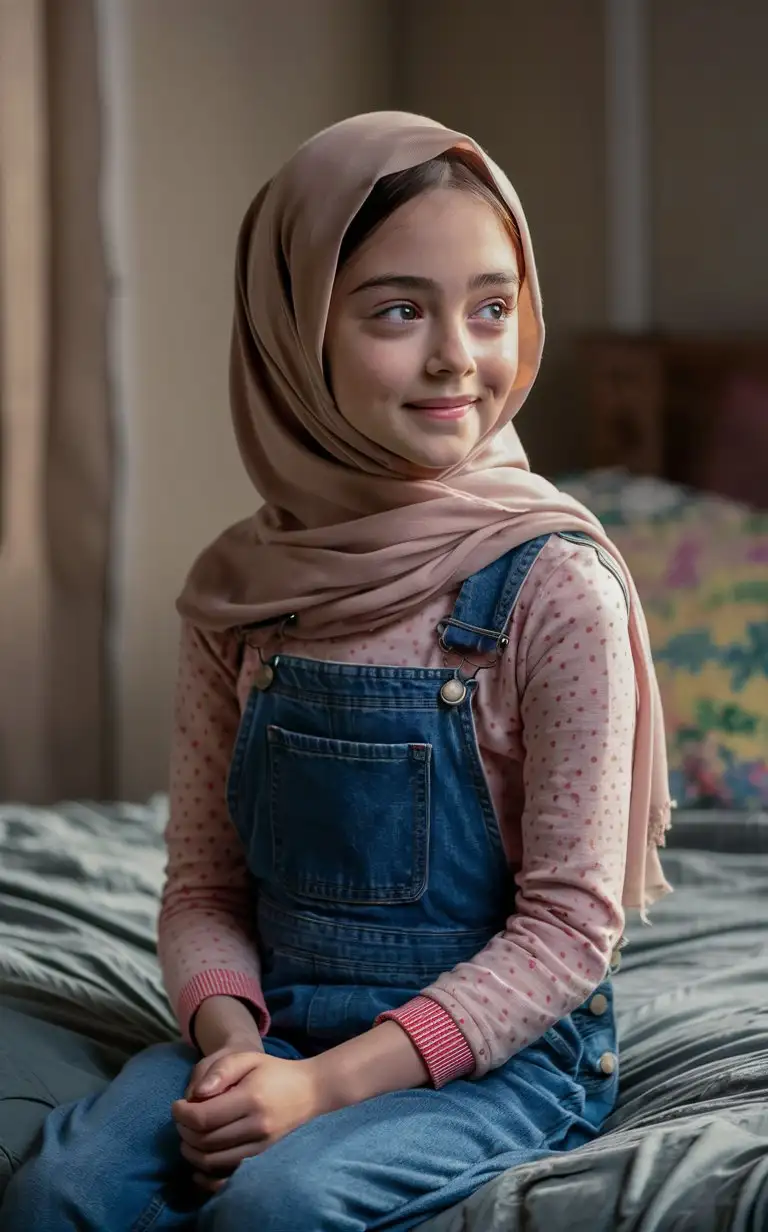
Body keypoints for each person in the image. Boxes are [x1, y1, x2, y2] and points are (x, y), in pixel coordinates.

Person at [1, 111, 673, 1232]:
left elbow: (567, 933)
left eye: (493, 306)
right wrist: (235, 1052)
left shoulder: (558, 588)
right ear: (296, 331)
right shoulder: (246, 585)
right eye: (401, 310)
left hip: (495, 1056)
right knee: (53, 1192)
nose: (460, 353)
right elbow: (205, 889)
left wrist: (320, 1089)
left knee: (279, 1203)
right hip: (272, 1025)